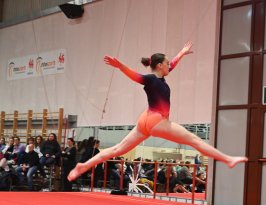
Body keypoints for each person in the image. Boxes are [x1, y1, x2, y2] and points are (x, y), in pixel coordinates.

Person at [68, 42, 247, 181]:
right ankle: (227, 159)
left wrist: (182, 53)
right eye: (167, 63)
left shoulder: (160, 78)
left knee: (117, 149)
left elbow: (173, 65)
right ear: (160, 65)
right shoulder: (151, 79)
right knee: (194, 140)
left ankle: (83, 166)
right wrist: (119, 65)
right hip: (157, 121)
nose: (170, 66)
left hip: (144, 121)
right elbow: (134, 75)